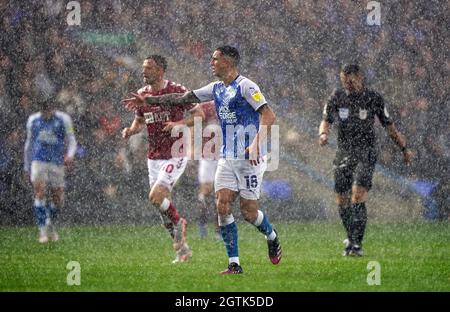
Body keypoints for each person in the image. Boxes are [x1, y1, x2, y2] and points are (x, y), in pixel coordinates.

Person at [123, 46, 282, 274]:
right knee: (222, 204)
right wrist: (148, 102)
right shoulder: (215, 88)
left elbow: (269, 115)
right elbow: (182, 98)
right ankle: (234, 263)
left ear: (227, 62)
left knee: (248, 212)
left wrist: (256, 144)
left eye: (215, 59)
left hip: (250, 156)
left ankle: (272, 236)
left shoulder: (247, 86)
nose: (211, 62)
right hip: (227, 156)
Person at [319, 64, 413, 256]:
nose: (348, 85)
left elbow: (390, 127)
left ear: (360, 77)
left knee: (358, 195)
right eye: (344, 81)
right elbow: (326, 119)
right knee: (341, 200)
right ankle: (352, 239)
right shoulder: (337, 97)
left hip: (366, 152)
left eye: (350, 81)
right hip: (344, 151)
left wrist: (404, 149)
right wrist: (323, 134)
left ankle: (356, 245)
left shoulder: (373, 98)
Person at [121, 55, 195, 264]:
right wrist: (131, 131)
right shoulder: (142, 95)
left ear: (161, 70)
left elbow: (198, 115)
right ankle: (182, 251)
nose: (144, 72)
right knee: (163, 208)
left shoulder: (177, 91)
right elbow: (139, 121)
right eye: (143, 68)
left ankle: (180, 222)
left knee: (155, 197)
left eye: (149, 68)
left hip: (175, 152)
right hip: (153, 157)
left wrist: (178, 124)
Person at [163, 101, 221, 239]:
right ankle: (202, 224)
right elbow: (193, 125)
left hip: (222, 158)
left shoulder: (227, 105)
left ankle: (219, 230)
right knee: (205, 193)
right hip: (206, 157)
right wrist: (191, 149)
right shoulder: (206, 107)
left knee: (220, 195)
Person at [24, 95, 77, 243]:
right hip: (38, 160)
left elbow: (72, 140)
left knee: (58, 198)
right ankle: (42, 232)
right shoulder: (33, 120)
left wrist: (70, 155)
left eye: (49, 110)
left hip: (56, 161)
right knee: (40, 192)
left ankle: (50, 225)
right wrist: (26, 165)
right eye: (44, 110)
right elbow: (29, 144)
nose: (46, 113)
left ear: (53, 108)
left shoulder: (63, 119)